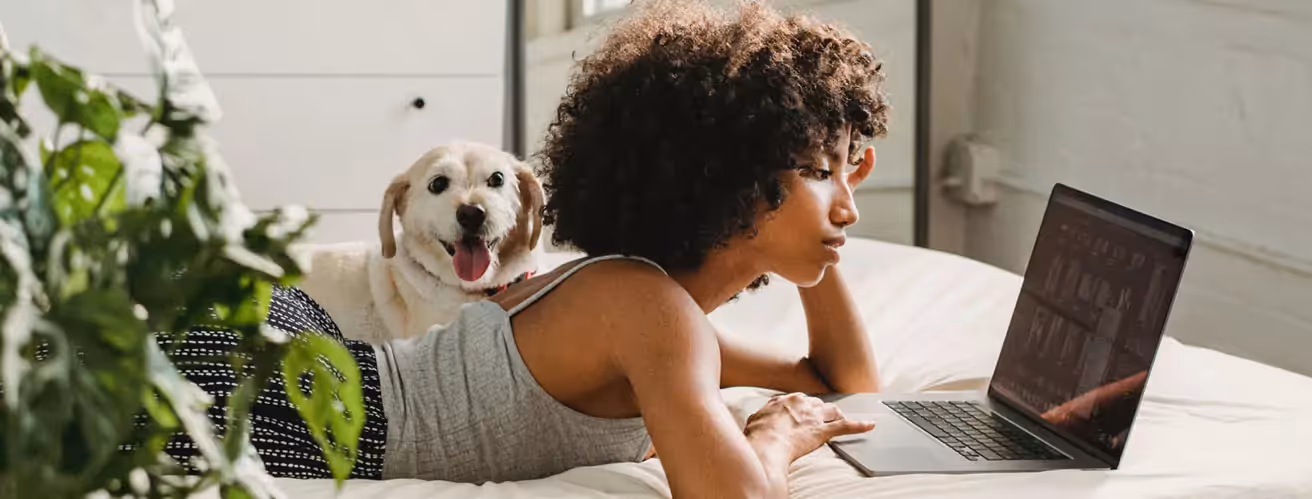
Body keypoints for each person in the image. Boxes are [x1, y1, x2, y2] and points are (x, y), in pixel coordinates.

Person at [159, 0, 891, 496]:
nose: (848, 204)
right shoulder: (646, 311)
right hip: (302, 405)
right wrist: (775, 432)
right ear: (728, 181)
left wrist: (816, 232)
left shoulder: (649, 309)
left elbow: (842, 379)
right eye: (818, 172)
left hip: (324, 373)